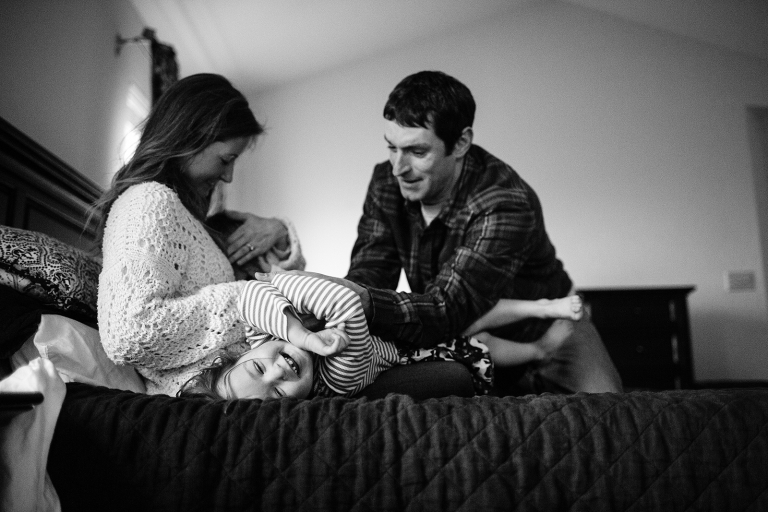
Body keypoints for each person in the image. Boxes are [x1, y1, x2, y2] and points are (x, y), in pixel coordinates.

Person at [294, 70, 622, 396]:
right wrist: (335, 308)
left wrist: (363, 302)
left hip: (550, 330)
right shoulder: (386, 183)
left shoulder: (504, 201)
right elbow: (371, 271)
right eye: (391, 147)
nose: (398, 168)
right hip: (465, 335)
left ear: (461, 142)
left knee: (614, 423)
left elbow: (447, 307)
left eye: (417, 152)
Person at [94, 73, 305, 396]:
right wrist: (248, 300)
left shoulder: (193, 221)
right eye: (226, 159)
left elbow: (293, 293)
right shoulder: (148, 201)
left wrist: (279, 230)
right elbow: (130, 331)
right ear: (190, 137)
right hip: (214, 397)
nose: (230, 176)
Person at [178, 272, 585, 400]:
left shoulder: (266, 334)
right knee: (479, 339)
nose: (276, 373)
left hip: (394, 320)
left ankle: (543, 306)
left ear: (241, 354)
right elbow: (343, 302)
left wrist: (296, 331)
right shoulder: (337, 376)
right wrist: (311, 340)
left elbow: (251, 290)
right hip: (412, 349)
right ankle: (539, 349)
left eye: (256, 368)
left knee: (471, 308)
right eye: (279, 393)